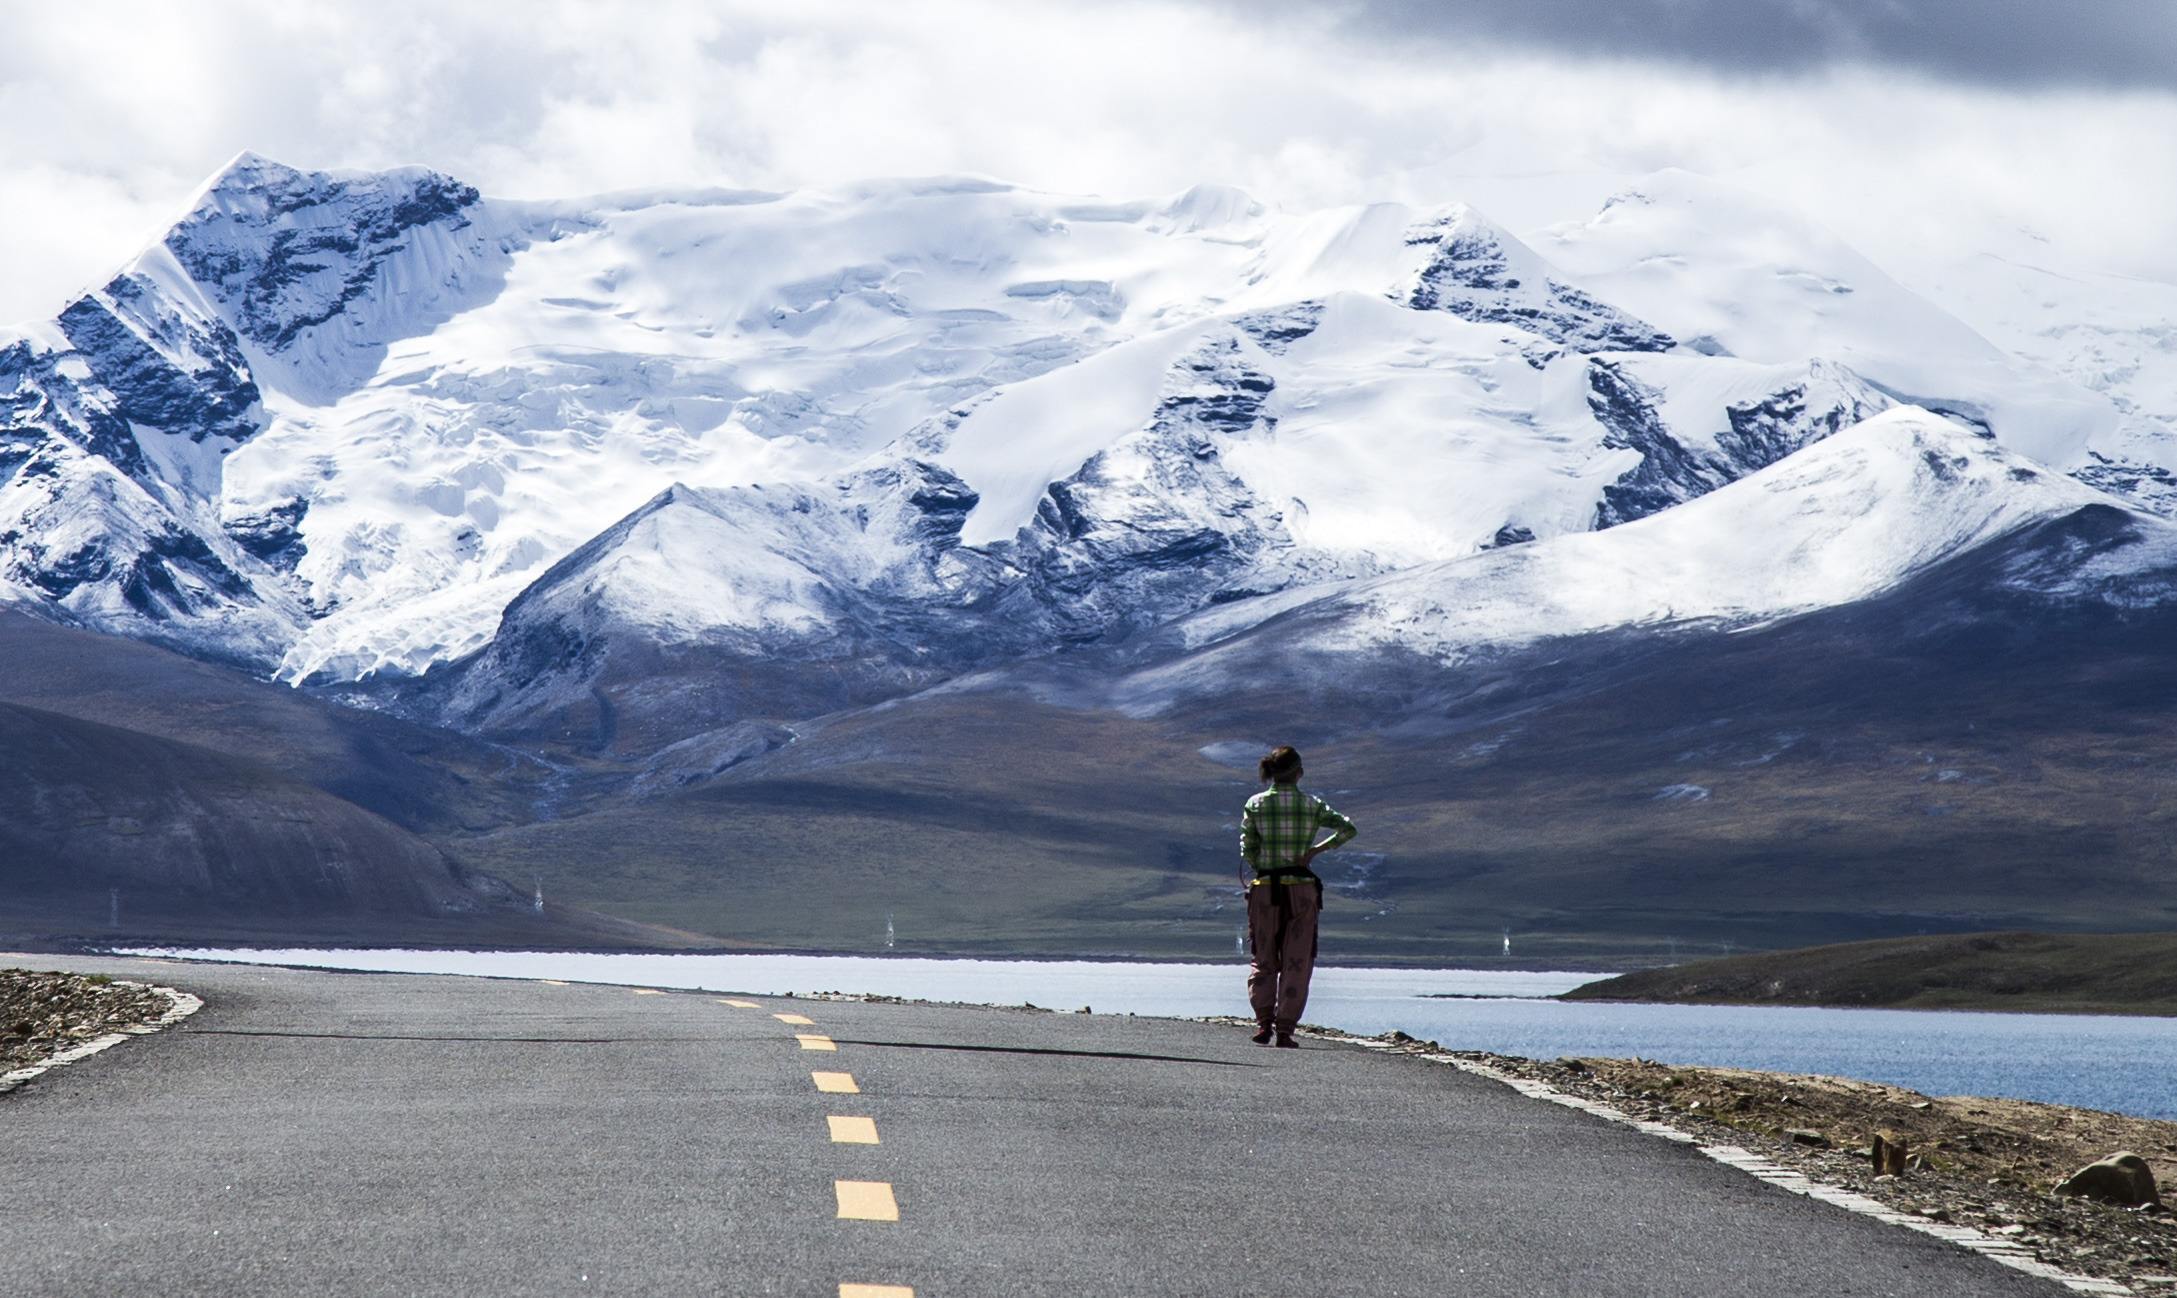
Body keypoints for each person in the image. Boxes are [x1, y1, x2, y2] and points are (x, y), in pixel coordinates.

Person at [1240, 745, 1357, 1047]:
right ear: (1298, 773)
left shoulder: (1255, 804)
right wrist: (1316, 850)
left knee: (1263, 956)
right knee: (1298, 959)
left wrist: (1261, 864)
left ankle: (1263, 1022)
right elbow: (1347, 829)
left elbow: (1247, 847)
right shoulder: (1312, 805)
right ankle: (1285, 1029)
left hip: (1265, 888)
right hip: (1302, 891)